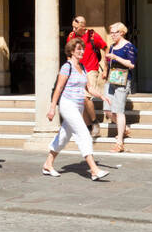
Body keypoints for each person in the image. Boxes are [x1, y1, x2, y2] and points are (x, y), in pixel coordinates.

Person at [42, 38, 112, 181]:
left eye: (82, 49)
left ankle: (48, 164)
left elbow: (88, 88)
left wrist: (102, 96)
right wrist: (52, 108)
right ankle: (94, 170)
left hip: (78, 106)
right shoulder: (66, 67)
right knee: (83, 133)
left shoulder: (83, 67)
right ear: (72, 51)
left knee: (64, 136)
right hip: (68, 104)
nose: (82, 51)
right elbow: (59, 88)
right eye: (78, 49)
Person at [69, 16, 107, 129]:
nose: (73, 29)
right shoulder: (71, 36)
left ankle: (94, 122)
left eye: (76, 27)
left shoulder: (92, 35)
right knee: (81, 99)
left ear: (83, 26)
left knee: (85, 97)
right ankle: (88, 126)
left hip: (91, 69)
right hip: (78, 70)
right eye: (73, 27)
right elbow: (69, 54)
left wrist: (106, 68)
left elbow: (105, 47)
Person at [105, 24, 136, 152]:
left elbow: (131, 64)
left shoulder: (128, 46)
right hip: (112, 78)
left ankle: (119, 143)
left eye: (115, 32)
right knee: (107, 110)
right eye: (111, 32)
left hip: (123, 79)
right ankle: (125, 129)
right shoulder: (112, 46)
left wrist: (116, 57)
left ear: (122, 32)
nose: (112, 35)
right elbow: (109, 61)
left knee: (119, 110)